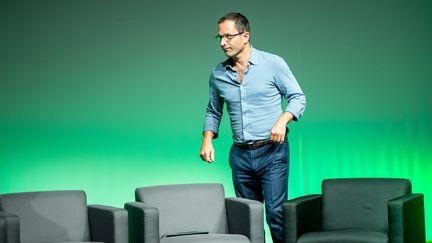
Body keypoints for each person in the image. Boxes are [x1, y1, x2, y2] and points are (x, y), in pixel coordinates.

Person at [199, 12, 306, 243]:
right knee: (248, 217)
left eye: (228, 36)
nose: (223, 43)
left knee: (276, 213)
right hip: (240, 156)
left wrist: (282, 120)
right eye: (220, 38)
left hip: (272, 153)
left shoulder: (273, 64)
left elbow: (298, 98)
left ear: (245, 35)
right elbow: (213, 110)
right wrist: (207, 139)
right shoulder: (218, 74)